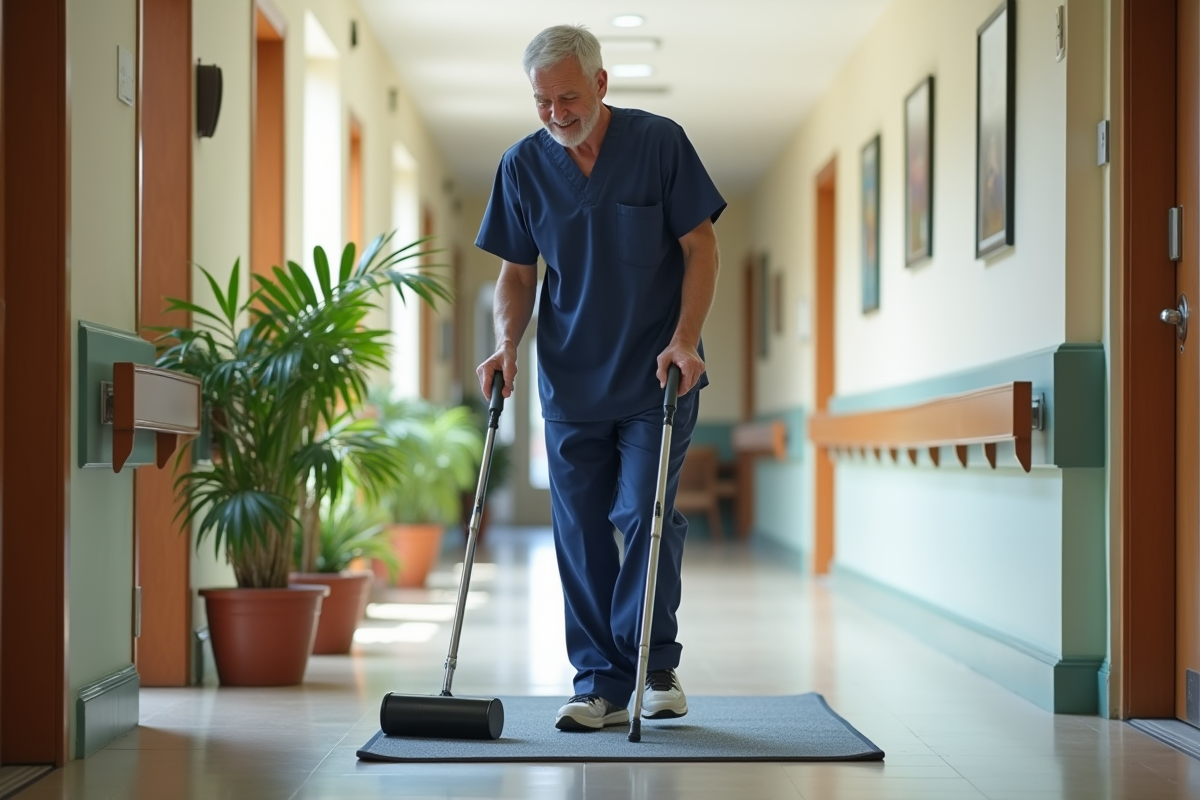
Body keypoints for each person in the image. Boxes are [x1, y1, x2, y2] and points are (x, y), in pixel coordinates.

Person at [474, 24, 725, 732]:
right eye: (542, 101)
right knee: (580, 531)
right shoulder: (522, 167)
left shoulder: (659, 143)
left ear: (602, 84)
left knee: (644, 511)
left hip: (658, 375)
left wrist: (685, 340)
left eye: (568, 97)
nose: (556, 113)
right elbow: (516, 273)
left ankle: (653, 666)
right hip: (570, 382)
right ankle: (599, 683)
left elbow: (701, 246)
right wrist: (505, 346)